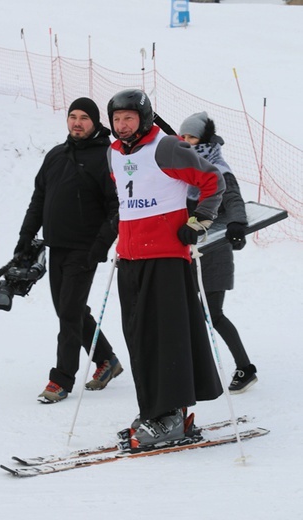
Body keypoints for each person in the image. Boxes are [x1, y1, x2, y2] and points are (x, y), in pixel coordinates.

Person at [107, 89, 225, 448]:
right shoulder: (112, 153)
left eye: (129, 118)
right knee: (140, 338)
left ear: (143, 118)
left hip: (166, 258)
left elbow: (212, 181)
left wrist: (199, 220)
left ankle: (172, 413)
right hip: (130, 258)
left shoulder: (166, 147)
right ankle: (154, 410)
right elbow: (128, 198)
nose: (123, 125)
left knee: (167, 338)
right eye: (117, 119)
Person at [14, 97, 123, 403]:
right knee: (68, 311)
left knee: (69, 315)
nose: (77, 122)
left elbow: (116, 208)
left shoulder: (107, 156)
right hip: (57, 247)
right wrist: (26, 236)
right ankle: (107, 360)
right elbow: (39, 198)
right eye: (72, 116)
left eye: (83, 118)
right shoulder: (56, 155)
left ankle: (60, 380)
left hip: (84, 249)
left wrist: (99, 247)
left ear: (95, 122)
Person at [179, 111, 258, 394]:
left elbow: (234, 199)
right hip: (190, 252)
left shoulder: (219, 170)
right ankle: (192, 368)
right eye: (183, 136)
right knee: (188, 312)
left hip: (215, 251)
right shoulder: (185, 170)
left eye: (192, 137)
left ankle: (245, 368)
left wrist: (237, 223)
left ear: (205, 140)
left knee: (213, 313)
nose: (186, 141)